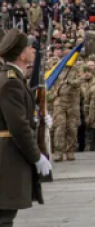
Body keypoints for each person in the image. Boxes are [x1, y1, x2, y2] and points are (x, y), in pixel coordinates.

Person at [0, 29, 52, 227]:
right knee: (4, 216)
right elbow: (19, 126)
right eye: (30, 47)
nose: (33, 50)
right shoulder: (10, 83)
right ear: (22, 54)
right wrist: (36, 156)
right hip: (7, 156)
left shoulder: (13, 79)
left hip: (8, 153)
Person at [49, 48, 88, 162]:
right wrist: (52, 96)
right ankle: (58, 152)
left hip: (73, 102)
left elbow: (81, 81)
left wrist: (70, 82)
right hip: (60, 102)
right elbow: (50, 82)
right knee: (59, 127)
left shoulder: (78, 69)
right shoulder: (57, 69)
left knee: (72, 127)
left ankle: (70, 151)